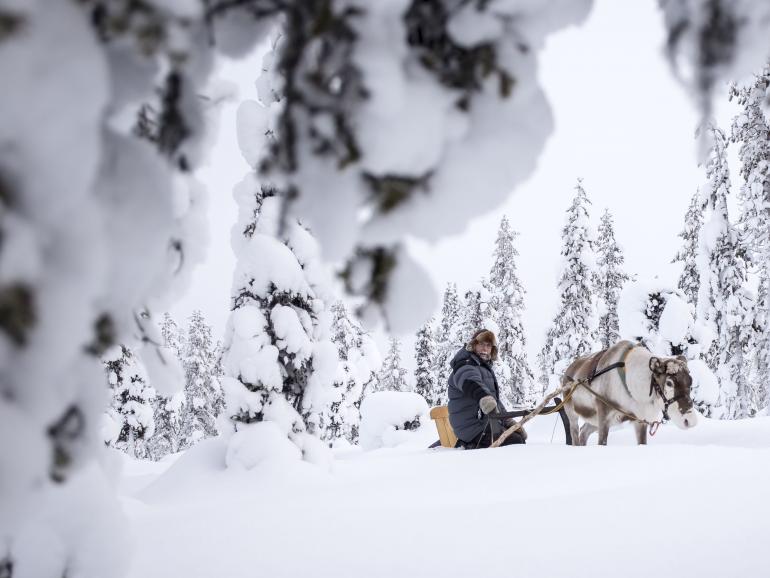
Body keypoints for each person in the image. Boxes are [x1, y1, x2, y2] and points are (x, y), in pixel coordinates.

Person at [447, 329, 526, 449]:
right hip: (472, 428)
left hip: (486, 424)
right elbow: (470, 382)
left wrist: (507, 421)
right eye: (481, 344)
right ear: (473, 345)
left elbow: (494, 400)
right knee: (515, 441)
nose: (485, 349)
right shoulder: (465, 364)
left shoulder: (482, 368)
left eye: (488, 345)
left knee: (517, 437)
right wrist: (484, 397)